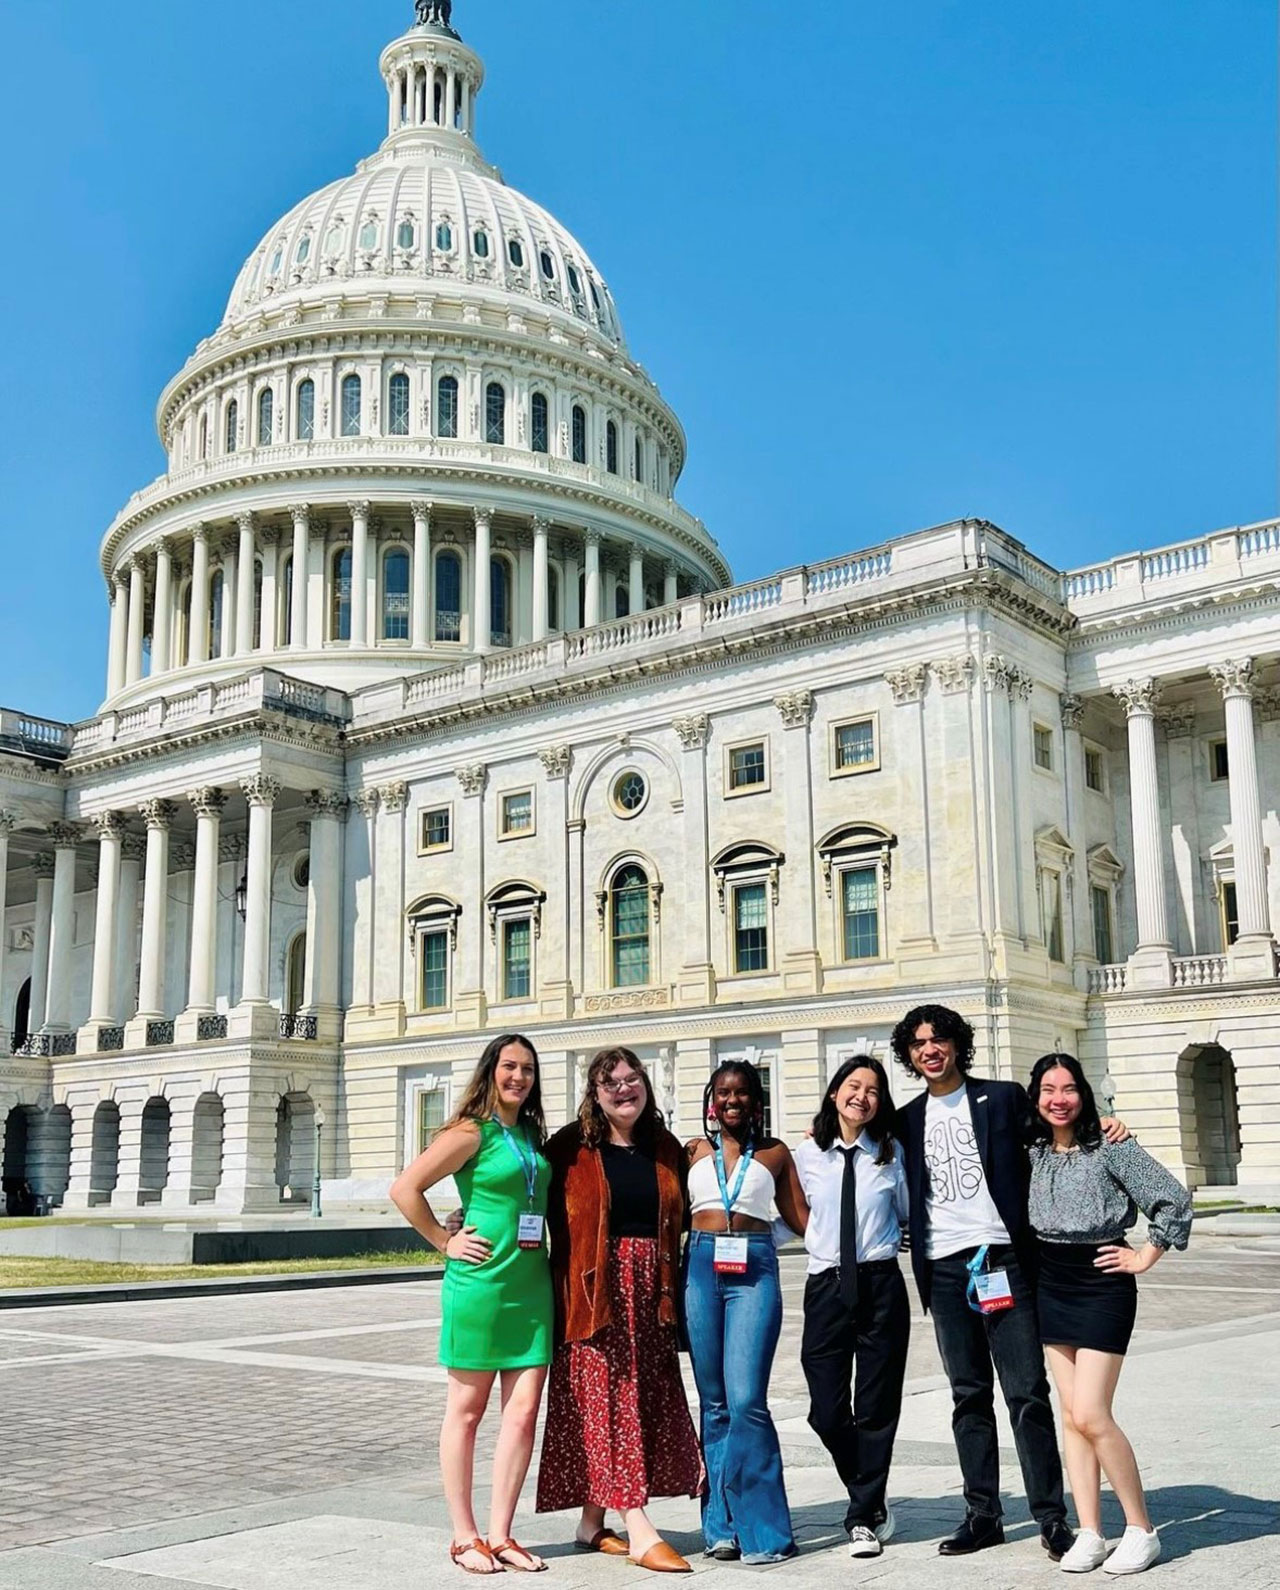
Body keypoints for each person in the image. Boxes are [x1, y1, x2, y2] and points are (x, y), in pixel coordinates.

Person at [892, 1003, 1127, 1561]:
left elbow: (1057, 1133)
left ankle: (1052, 1517)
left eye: (940, 1039)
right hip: (945, 1269)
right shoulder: (905, 1118)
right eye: (919, 1042)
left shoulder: (1000, 1098)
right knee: (967, 1395)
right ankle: (983, 1514)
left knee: (1027, 1393)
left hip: (1003, 1262)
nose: (931, 1049)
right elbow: (852, 1130)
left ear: (957, 1045)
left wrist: (1107, 1124)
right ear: (908, 1053)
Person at [390, 1033, 552, 1575]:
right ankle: (464, 1535)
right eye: (510, 1067)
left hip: (530, 1286)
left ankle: (502, 1533)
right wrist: (443, 1238)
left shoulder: (530, 1133)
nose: (519, 1077)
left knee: (524, 1413)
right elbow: (406, 1188)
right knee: (466, 1411)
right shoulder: (470, 1132)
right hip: (480, 1284)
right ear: (491, 1071)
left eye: (527, 1069)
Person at [536, 1047, 703, 1573]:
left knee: (635, 1404)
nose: (624, 1089)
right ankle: (638, 1525)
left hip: (652, 1296)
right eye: (611, 1083)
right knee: (609, 1404)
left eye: (633, 1079)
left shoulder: (666, 1147)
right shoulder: (567, 1148)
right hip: (592, 1296)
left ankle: (591, 1523)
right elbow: (519, 1195)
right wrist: (464, 1221)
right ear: (595, 1092)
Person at [1027, 1053, 1191, 1576]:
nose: (1059, 1098)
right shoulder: (1030, 1149)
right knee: (1071, 1417)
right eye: (1048, 1089)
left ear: (1084, 1094)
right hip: (1050, 1282)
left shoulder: (1110, 1144)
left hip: (1102, 1283)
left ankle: (1141, 1529)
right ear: (1035, 1097)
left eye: (1069, 1088)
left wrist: (1146, 1253)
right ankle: (1091, 1532)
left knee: (1093, 1413)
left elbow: (1170, 1199)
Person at [682, 1060, 808, 1564]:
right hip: (699, 1268)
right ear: (712, 1100)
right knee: (713, 1404)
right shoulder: (690, 1150)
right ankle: (720, 1526)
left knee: (747, 1400)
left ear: (756, 1101)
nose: (731, 1102)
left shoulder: (776, 1154)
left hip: (753, 1272)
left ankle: (766, 1532)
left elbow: (801, 1220)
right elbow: (664, 1208)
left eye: (741, 1094)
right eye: (722, 1094)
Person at [793, 1056, 910, 1560]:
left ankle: (862, 1517)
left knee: (877, 1405)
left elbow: (907, 1213)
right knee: (826, 1409)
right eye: (853, 1085)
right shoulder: (806, 1154)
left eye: (873, 1091)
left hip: (881, 1282)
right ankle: (871, 1489)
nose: (861, 1096)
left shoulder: (891, 1153)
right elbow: (790, 1214)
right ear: (835, 1091)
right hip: (825, 1285)